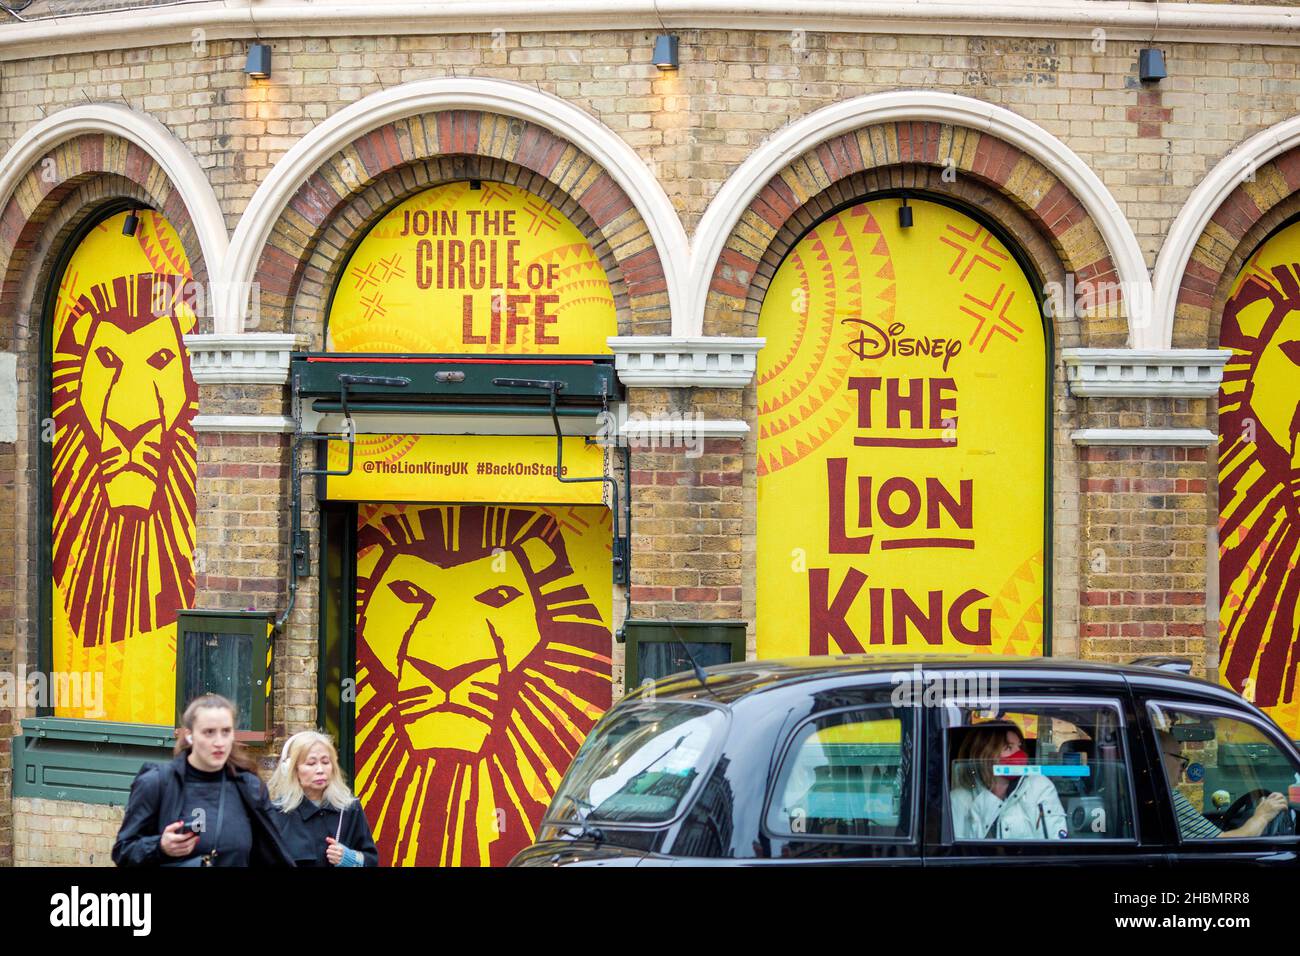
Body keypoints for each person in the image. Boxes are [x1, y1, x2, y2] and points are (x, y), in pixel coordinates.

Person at [112, 693, 294, 866]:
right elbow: (123, 852)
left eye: (226, 731)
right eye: (209, 732)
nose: (219, 742)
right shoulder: (156, 783)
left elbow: (273, 855)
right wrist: (159, 846)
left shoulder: (250, 787)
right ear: (190, 735)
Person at [268, 731, 379, 867]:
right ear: (292, 769)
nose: (320, 770)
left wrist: (349, 858)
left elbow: (372, 860)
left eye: (326, 762)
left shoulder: (349, 809)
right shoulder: (277, 813)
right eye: (311, 763)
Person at [1157, 728, 1288, 839]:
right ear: (1158, 758)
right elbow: (1224, 844)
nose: (1183, 765)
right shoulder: (1166, 800)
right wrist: (1262, 816)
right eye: (1178, 757)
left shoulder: (1155, 796)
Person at [949, 722, 1069, 840]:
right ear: (985, 755)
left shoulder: (1039, 787)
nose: (1020, 754)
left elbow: (1053, 845)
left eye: (1020, 746)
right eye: (1009, 748)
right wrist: (992, 797)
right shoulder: (960, 799)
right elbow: (960, 853)